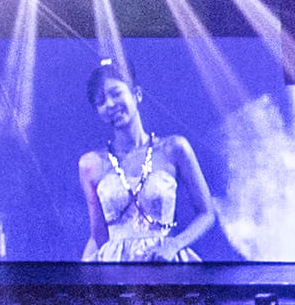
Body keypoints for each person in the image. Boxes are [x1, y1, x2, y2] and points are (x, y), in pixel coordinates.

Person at [77, 63, 221, 262]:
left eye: (116, 93)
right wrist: (82, 281)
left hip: (164, 263)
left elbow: (207, 213)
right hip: (115, 268)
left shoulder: (175, 148)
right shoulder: (91, 164)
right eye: (101, 101)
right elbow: (98, 235)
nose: (109, 104)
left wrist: (174, 245)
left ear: (137, 94)